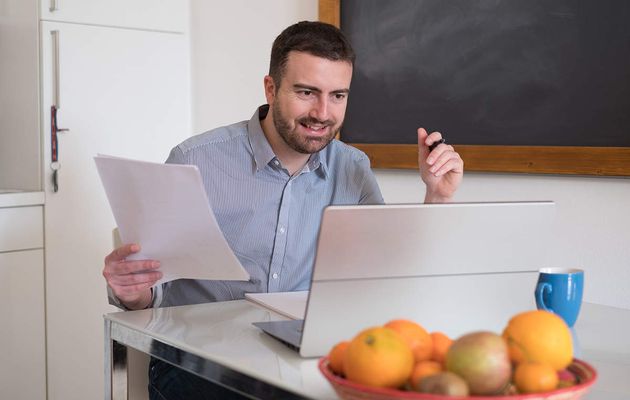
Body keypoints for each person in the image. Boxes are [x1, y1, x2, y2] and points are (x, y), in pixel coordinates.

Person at [103, 21, 463, 400]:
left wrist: (437, 196)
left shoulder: (353, 168)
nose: (323, 112)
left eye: (337, 95)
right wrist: (131, 290)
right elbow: (151, 293)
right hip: (200, 361)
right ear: (271, 89)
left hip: (302, 362)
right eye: (307, 92)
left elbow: (385, 278)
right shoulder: (195, 160)